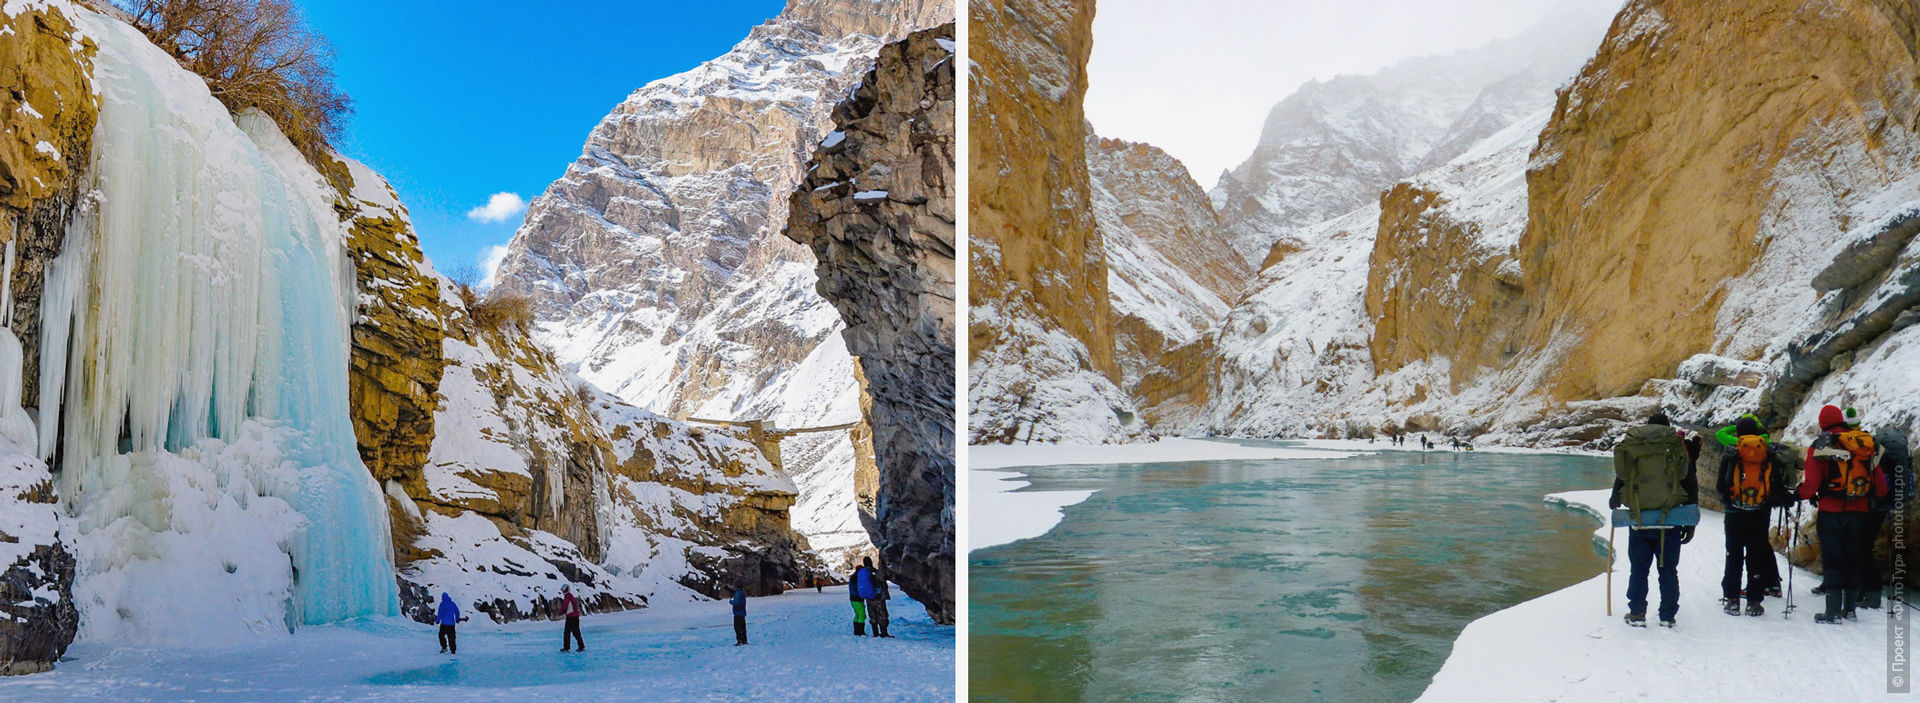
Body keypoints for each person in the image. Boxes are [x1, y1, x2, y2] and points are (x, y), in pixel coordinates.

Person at [1799, 404, 1889, 623]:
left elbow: (1810, 486)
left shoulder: (1820, 446)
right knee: (1853, 559)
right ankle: (1850, 610)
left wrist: (1799, 494)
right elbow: (1881, 487)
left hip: (1831, 512)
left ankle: (1831, 612)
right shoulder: (1861, 444)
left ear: (1822, 424)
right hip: (1860, 513)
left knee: (1833, 561)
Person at [1610, 413, 1698, 628]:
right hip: (1670, 520)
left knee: (1639, 570)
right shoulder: (1675, 446)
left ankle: (1637, 613)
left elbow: (1623, 476)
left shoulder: (1635, 445)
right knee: (1668, 570)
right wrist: (1690, 521)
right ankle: (1667, 616)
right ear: (1667, 428)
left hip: (1640, 520)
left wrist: (1615, 498)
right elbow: (1689, 482)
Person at [1715, 416, 1788, 616]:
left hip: (1734, 514)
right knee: (1755, 556)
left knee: (1733, 556)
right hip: (1759, 514)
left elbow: (1721, 486)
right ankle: (1754, 601)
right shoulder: (1767, 452)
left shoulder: (1732, 452)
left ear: (1738, 433)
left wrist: (1729, 503)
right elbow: (1776, 484)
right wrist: (1770, 501)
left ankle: (1732, 599)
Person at [867, 563, 893, 638]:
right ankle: (884, 633)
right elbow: (883, 582)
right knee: (882, 614)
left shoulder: (864, 574)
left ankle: (875, 633)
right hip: (879, 597)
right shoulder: (877, 572)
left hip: (869, 598)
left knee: (872, 615)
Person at [559, 585, 586, 651]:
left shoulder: (567, 596)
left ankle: (567, 648)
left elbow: (565, 605)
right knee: (576, 632)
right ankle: (581, 646)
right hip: (576, 617)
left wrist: (560, 612)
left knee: (567, 633)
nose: (562, 591)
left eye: (562, 589)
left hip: (571, 617)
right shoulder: (571, 596)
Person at [848, 564, 870, 636]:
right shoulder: (857, 577)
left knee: (857, 615)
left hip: (853, 599)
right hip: (857, 599)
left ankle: (856, 631)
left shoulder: (853, 577)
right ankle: (861, 631)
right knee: (862, 615)